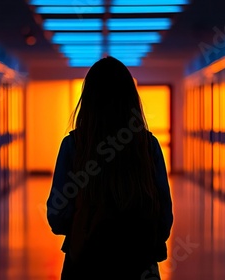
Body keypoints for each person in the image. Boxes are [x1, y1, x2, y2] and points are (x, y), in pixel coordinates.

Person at [46, 56, 173, 280]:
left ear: (88, 100)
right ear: (131, 100)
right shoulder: (147, 146)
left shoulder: (73, 146)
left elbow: (57, 217)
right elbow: (163, 219)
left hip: (84, 264)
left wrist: (86, 224)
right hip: (139, 263)